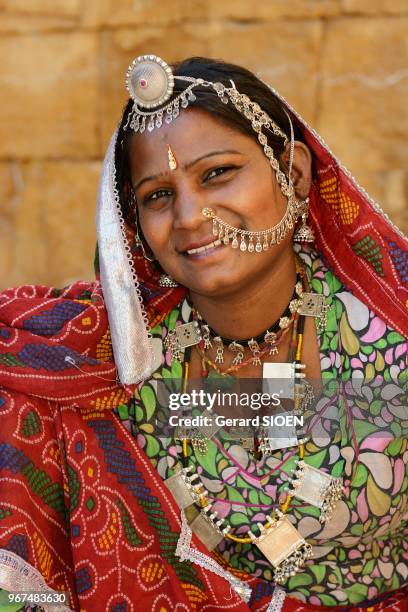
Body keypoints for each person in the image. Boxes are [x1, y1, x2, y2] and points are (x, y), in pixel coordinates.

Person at [0, 54, 406, 611]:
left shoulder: (390, 339)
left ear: (293, 175)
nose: (189, 215)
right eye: (157, 196)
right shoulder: (119, 356)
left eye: (217, 173)